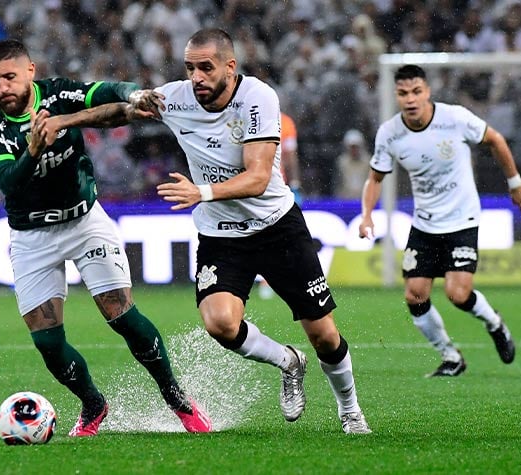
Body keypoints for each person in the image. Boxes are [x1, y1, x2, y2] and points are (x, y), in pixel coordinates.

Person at [52, 28, 371, 434]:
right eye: (190, 68)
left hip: (276, 227)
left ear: (230, 67)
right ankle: (288, 361)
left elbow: (257, 177)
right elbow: (120, 112)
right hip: (221, 234)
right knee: (220, 322)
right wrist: (66, 120)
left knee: (324, 335)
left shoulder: (258, 98)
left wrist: (200, 191)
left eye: (206, 67)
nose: (196, 77)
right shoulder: (176, 97)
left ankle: (350, 410)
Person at [0, 39, 211, 437]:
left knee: (122, 316)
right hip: (32, 235)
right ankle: (94, 405)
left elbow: (104, 93)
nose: (2, 88)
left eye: (9, 77)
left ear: (30, 71)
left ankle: (178, 400)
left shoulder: (59, 94)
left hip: (84, 222)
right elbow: (9, 184)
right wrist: (31, 151)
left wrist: (133, 93)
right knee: (48, 344)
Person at [359, 64, 521, 377]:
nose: (410, 99)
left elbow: (496, 140)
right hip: (424, 224)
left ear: (427, 92)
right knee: (414, 294)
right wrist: (367, 215)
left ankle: (494, 323)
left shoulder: (455, 118)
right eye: (402, 93)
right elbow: (375, 178)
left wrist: (515, 182)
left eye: (416, 91)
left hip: (462, 219)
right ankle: (451, 357)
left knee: (458, 294)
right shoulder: (390, 133)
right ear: (395, 95)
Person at [258, 111, 300, 299]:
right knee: (278, 235)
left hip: (260, 185)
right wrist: (296, 182)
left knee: (263, 234)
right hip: (273, 186)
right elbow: (290, 155)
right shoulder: (285, 121)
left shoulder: (241, 115)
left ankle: (267, 280)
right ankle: (275, 279)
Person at [334, 129, 371, 199]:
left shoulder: (368, 162)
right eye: (352, 147)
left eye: (356, 147)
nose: (354, 150)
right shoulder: (341, 162)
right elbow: (337, 184)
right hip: (346, 201)